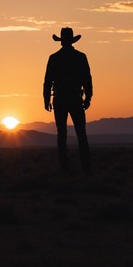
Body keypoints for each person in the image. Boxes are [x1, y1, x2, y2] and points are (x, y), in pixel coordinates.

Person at [43, 27, 92, 174]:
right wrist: (88, 97)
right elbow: (87, 79)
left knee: (62, 134)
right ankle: (86, 166)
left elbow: (47, 81)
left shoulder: (54, 58)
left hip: (60, 99)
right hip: (75, 98)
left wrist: (46, 99)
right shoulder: (80, 57)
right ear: (71, 40)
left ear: (61, 41)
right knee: (81, 133)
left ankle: (64, 166)